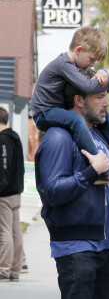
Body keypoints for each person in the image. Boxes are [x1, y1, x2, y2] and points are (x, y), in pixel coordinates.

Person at [34, 69, 109, 299]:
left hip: (103, 247)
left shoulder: (99, 136)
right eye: (99, 97)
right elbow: (53, 192)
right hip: (75, 249)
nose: (106, 103)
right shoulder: (59, 137)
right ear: (78, 100)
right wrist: (92, 171)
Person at [30, 26, 109, 185]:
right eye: (91, 59)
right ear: (78, 50)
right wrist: (108, 75)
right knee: (76, 121)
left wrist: (103, 74)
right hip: (44, 113)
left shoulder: (78, 65)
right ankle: (99, 167)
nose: (92, 65)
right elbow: (88, 87)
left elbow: (94, 82)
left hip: (58, 109)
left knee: (104, 118)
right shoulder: (64, 64)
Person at [0, 107, 24, 282]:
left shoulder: (3, 140)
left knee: (4, 232)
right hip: (15, 192)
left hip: (5, 194)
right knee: (15, 232)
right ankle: (15, 270)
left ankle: (3, 269)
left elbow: (4, 166)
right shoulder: (15, 138)